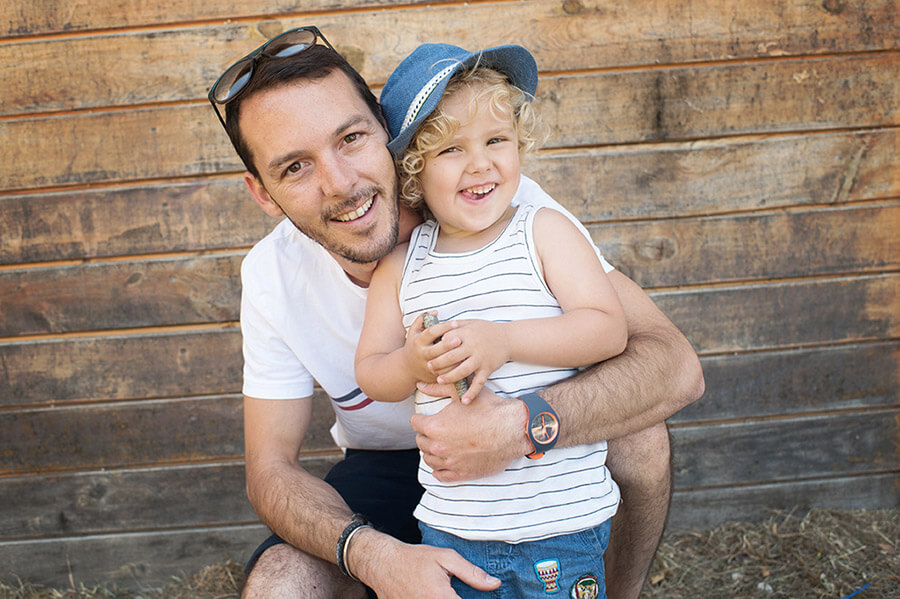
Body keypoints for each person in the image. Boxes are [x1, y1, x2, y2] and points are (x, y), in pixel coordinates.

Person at [206, 25, 704, 599]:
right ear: (262, 193)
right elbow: (270, 470)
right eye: (295, 167)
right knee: (278, 584)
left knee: (639, 432)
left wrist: (521, 426)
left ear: (388, 133)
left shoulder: (498, 208)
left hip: (533, 448)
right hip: (395, 465)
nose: (341, 184)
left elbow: (673, 366)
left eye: (351, 139)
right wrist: (373, 557)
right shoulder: (272, 276)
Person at [354, 43, 628, 598]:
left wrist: (503, 341)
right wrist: (410, 360)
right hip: (456, 529)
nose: (481, 164)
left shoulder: (544, 232)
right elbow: (371, 372)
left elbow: (606, 329)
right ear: (414, 172)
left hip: (563, 524)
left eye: (496, 140)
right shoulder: (403, 266)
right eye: (452, 149)